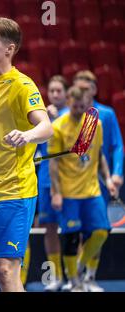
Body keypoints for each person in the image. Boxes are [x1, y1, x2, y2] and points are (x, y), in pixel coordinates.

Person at [0, 17, 53, 292]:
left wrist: (27, 135)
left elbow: (46, 126)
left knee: (7, 269)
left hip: (14, 192)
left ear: (9, 49)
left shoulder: (22, 85)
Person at [49, 86, 117, 292]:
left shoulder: (94, 124)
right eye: (75, 106)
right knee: (70, 237)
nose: (79, 110)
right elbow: (54, 164)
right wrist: (56, 192)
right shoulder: (59, 126)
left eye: (83, 106)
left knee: (101, 232)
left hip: (92, 190)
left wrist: (108, 178)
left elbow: (99, 155)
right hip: (69, 192)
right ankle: (76, 283)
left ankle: (79, 265)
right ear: (69, 103)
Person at [73, 70, 124, 291]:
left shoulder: (107, 114)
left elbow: (117, 146)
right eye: (77, 88)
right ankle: (75, 279)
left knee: (98, 231)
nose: (81, 93)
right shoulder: (67, 114)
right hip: (73, 184)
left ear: (94, 89)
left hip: (99, 184)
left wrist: (116, 174)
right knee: (75, 232)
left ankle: (89, 277)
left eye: (86, 88)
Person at [35, 75, 69, 291]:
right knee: (49, 228)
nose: (55, 94)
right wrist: (45, 119)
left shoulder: (72, 116)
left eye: (59, 91)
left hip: (68, 180)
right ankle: (54, 276)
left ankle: (76, 275)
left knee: (73, 229)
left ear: (66, 93)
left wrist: (54, 121)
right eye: (52, 90)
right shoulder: (42, 115)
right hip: (45, 179)